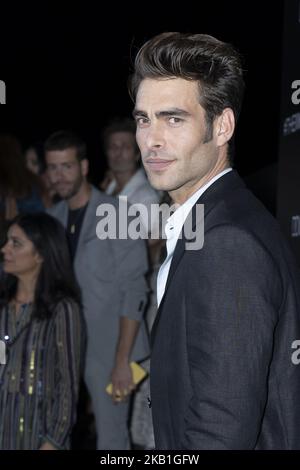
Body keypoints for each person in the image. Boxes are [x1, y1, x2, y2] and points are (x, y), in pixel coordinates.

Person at [129, 32, 300, 449]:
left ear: (221, 126)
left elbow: (222, 429)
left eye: (173, 119)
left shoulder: (228, 243)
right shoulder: (212, 223)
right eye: (143, 119)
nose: (152, 140)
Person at [45, 130, 149, 450]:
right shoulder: (52, 218)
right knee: (54, 431)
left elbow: (134, 290)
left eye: (67, 166)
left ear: (84, 167)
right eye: (53, 168)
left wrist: (121, 361)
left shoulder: (118, 214)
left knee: (112, 440)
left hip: (114, 350)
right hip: (66, 348)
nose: (59, 176)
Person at [0, 212, 84, 449]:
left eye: (15, 243)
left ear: (40, 254)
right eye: (7, 241)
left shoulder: (63, 310)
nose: (5, 249)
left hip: (40, 432)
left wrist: (53, 441)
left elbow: (68, 385)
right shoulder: (4, 307)